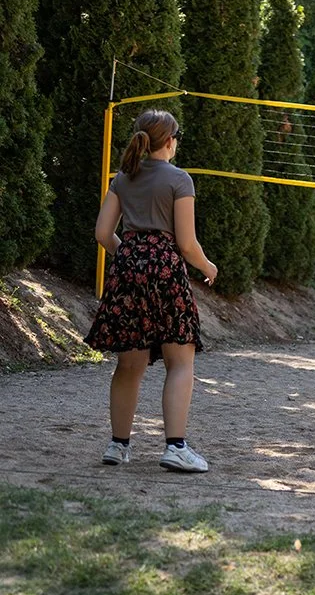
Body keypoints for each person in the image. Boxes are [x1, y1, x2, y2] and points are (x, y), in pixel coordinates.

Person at [85, 109, 218, 473]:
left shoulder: (122, 179)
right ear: (171, 141)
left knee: (129, 364)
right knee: (180, 361)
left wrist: (130, 256)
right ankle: (175, 447)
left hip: (127, 272)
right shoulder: (180, 180)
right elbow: (187, 244)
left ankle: (118, 445)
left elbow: (102, 233)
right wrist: (208, 268)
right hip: (165, 272)